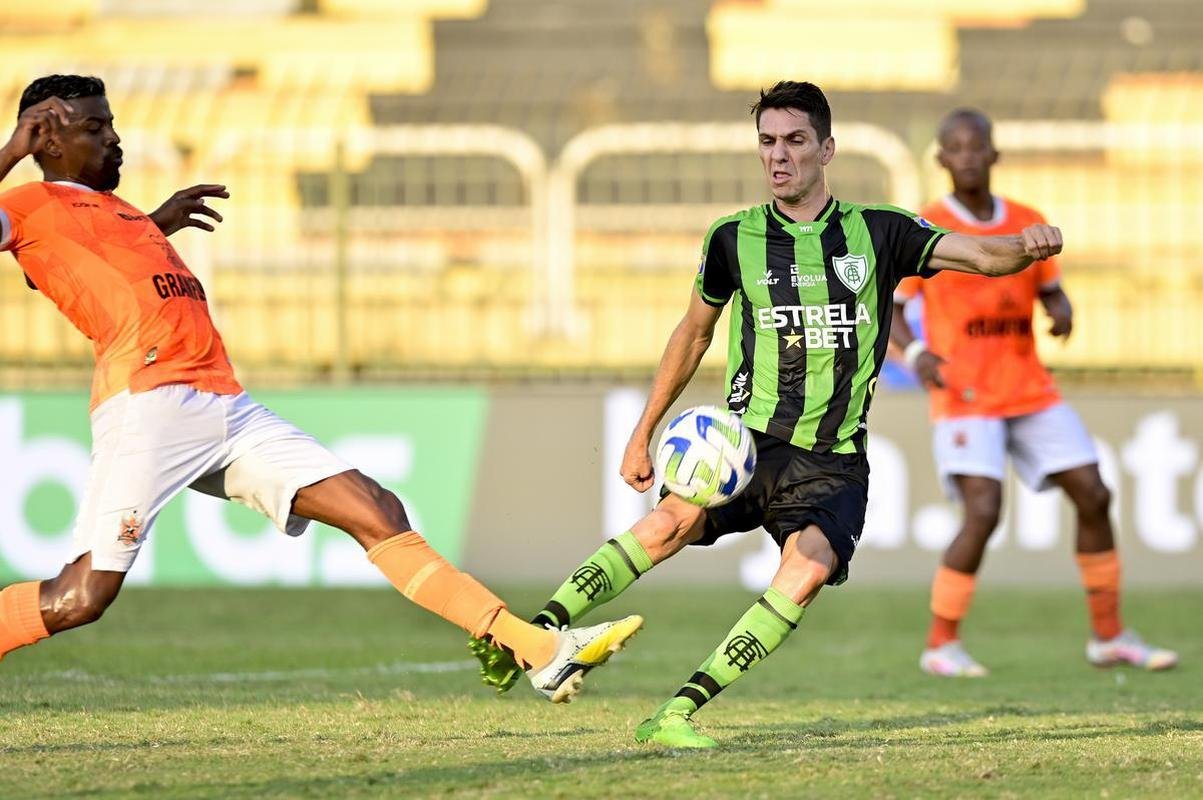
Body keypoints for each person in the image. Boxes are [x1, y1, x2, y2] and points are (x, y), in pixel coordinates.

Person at [0, 74, 643, 702]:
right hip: (148, 408)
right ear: (47, 140)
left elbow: (99, 261)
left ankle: (539, 652)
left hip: (226, 405)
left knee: (377, 508)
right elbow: (49, 258)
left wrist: (152, 223)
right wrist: (11, 149)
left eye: (112, 124)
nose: (114, 139)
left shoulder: (111, 212)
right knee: (80, 598)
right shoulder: (29, 206)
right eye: (95, 128)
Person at [469, 81, 1065, 747]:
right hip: (744, 444)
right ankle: (533, 637)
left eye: (794, 141)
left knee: (804, 572)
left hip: (832, 461)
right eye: (767, 142)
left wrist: (1026, 244)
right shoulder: (733, 238)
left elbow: (981, 255)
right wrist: (642, 433)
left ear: (826, 150)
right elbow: (692, 334)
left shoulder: (880, 232)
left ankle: (675, 714)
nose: (778, 155)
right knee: (666, 524)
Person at [891, 108, 1177, 678]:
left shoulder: (1028, 221)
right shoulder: (927, 227)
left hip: (1029, 388)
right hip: (965, 393)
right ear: (941, 159)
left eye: (977, 146)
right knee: (983, 511)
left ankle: (1108, 636)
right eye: (956, 148)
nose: (968, 156)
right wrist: (918, 353)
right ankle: (941, 644)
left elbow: (1051, 289)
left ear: (994, 154)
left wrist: (1061, 310)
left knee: (1094, 493)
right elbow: (894, 308)